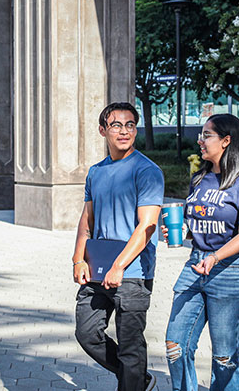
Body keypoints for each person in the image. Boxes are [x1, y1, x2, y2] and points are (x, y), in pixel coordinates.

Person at [162, 114, 239, 391]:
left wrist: (216, 257)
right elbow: (196, 227)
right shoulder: (200, 179)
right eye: (201, 134)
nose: (200, 140)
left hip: (232, 271)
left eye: (207, 135)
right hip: (195, 267)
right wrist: (181, 232)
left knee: (224, 356)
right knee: (175, 344)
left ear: (227, 140)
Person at [72, 102, 164, 391]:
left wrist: (119, 266)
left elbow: (146, 227)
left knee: (130, 346)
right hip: (98, 270)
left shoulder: (147, 171)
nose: (124, 131)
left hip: (132, 273)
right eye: (116, 125)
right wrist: (78, 259)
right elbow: (87, 220)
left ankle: (133, 381)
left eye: (130, 125)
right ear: (103, 130)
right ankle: (138, 378)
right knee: (87, 333)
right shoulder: (96, 172)